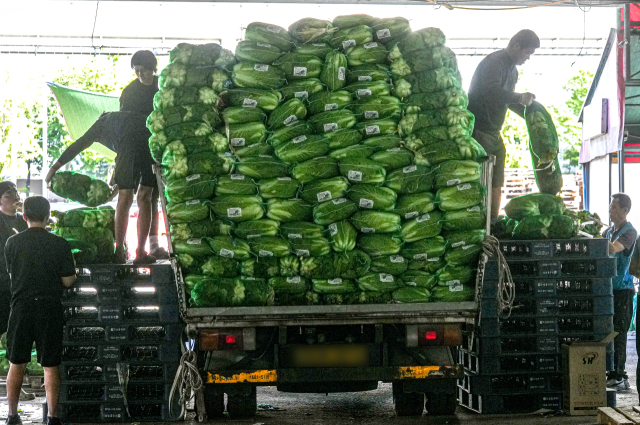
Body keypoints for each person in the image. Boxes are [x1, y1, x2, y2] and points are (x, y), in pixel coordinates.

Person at [45, 50, 168, 264]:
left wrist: (54, 168)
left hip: (150, 142)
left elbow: (81, 143)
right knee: (135, 197)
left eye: (144, 71)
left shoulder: (106, 124)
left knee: (137, 197)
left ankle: (135, 251)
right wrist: (54, 168)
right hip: (135, 145)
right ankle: (124, 250)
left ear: (153, 69)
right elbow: (93, 145)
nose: (140, 75)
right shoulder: (127, 95)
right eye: (136, 71)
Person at [4, 196, 77, 425]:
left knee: (17, 364)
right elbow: (67, 281)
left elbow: (12, 275)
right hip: (49, 308)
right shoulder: (60, 244)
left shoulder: (12, 244)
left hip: (21, 308)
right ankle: (53, 418)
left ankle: (12, 415)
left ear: (24, 216)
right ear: (48, 216)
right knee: (50, 364)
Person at [467, 29, 540, 218]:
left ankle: (492, 223)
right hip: (479, 130)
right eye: (528, 53)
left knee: (497, 181)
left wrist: (530, 112)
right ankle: (481, 223)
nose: (528, 58)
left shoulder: (512, 71)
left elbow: (505, 100)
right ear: (516, 46)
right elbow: (491, 92)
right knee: (483, 181)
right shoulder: (494, 63)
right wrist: (519, 97)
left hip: (493, 132)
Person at [602, 193, 637, 392]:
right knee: (608, 331)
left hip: (623, 289)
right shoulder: (607, 231)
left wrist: (590, 236)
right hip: (608, 289)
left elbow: (614, 248)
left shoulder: (630, 232)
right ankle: (610, 370)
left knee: (620, 331)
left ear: (624, 211)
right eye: (610, 206)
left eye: (614, 207)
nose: (610, 210)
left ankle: (620, 374)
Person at [0, 182, 28, 337]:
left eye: (15, 193)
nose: (14, 197)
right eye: (8, 195)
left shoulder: (25, 219)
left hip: (22, 282)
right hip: (3, 282)